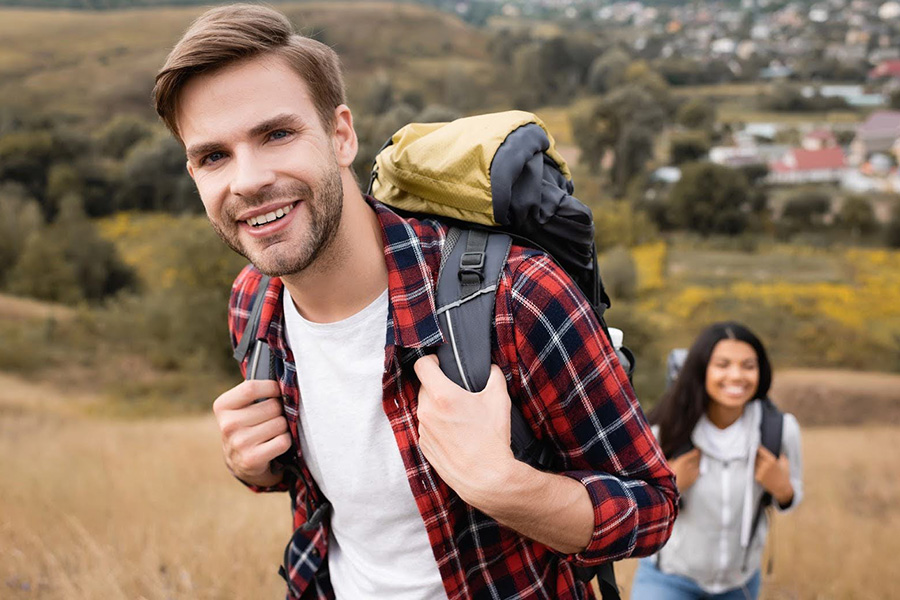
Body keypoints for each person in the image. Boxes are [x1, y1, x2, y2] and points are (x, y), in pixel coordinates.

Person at [152, 5, 677, 599]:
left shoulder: (517, 296)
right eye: (212, 156)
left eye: (276, 134)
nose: (246, 180)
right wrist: (257, 468)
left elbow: (654, 508)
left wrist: (507, 488)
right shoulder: (253, 306)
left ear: (340, 134)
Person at [631, 322, 803, 600]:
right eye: (722, 365)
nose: (736, 376)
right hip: (667, 580)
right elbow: (636, 511)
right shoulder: (662, 432)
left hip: (740, 585)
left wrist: (783, 490)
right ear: (702, 370)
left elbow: (792, 497)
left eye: (748, 366)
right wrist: (669, 489)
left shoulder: (781, 430)